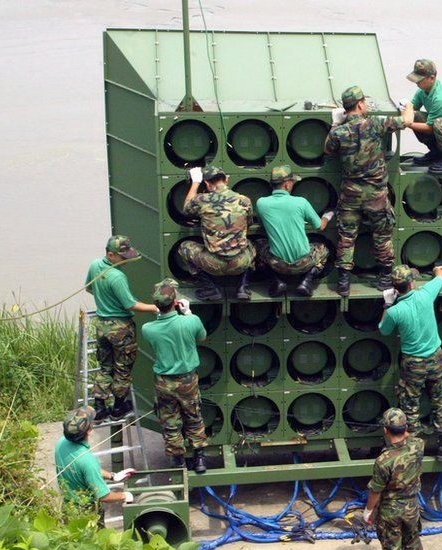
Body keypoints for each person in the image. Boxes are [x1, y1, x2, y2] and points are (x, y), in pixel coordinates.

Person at [324, 85, 411, 296]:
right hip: (376, 194)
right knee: (382, 235)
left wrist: (336, 123)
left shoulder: (339, 132)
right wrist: (408, 105)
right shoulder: (375, 124)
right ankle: (384, 279)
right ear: (361, 104)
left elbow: (327, 149)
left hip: (350, 194)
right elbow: (407, 121)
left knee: (346, 237)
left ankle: (343, 282)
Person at [379, 265, 442, 462]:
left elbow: (383, 329)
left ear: (395, 289)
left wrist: (387, 304)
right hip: (435, 357)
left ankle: (411, 448)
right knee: (440, 400)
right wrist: (436, 269)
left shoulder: (395, 311)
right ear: (412, 283)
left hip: (412, 363)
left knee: (410, 404)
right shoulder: (425, 295)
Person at [85, 235, 158, 422]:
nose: (126, 260)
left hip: (102, 326)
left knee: (105, 367)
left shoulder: (94, 265)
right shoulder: (118, 277)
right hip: (121, 329)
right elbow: (130, 305)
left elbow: (89, 288)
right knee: (122, 368)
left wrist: (104, 298)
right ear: (111, 254)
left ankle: (100, 407)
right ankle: (118, 407)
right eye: (122, 257)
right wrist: (156, 308)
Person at [140, 278, 209, 473]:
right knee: (193, 416)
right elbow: (201, 336)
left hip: (164, 382)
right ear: (175, 301)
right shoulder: (190, 322)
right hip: (187, 380)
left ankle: (177, 460)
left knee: (170, 421)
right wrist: (188, 312)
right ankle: (200, 459)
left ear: (156, 305)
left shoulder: (148, 330)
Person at [363, 408, 427, 550]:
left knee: (391, 545)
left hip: (391, 510)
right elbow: (410, 437)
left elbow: (376, 490)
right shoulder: (418, 445)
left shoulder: (383, 461)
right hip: (412, 505)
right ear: (405, 427)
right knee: (411, 535)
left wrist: (368, 511)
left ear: (385, 430)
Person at [254, 165, 335, 297]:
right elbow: (320, 226)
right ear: (286, 184)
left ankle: (276, 281)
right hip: (303, 264)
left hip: (277, 265)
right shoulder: (301, 202)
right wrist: (327, 215)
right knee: (323, 249)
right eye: (292, 182)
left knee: (258, 245)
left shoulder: (261, 203)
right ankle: (306, 282)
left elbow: (264, 224)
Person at [179, 165, 255, 302]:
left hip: (212, 264)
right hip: (239, 264)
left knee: (184, 247)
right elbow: (248, 223)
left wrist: (196, 182)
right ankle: (242, 288)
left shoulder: (202, 200)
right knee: (251, 246)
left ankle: (210, 288)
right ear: (226, 180)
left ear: (207, 184)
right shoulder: (244, 200)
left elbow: (186, 209)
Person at [54, 406, 134, 526]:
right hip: (87, 513)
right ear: (90, 430)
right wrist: (123, 495)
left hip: (67, 507)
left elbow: (84, 471)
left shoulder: (61, 443)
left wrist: (113, 476)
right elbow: (104, 496)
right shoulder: (87, 460)